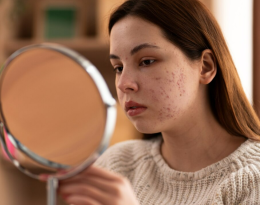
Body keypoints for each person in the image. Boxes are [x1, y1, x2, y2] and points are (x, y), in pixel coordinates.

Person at [58, 0, 260, 204]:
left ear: (205, 67)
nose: (124, 84)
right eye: (118, 67)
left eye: (147, 61)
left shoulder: (253, 179)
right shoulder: (117, 165)